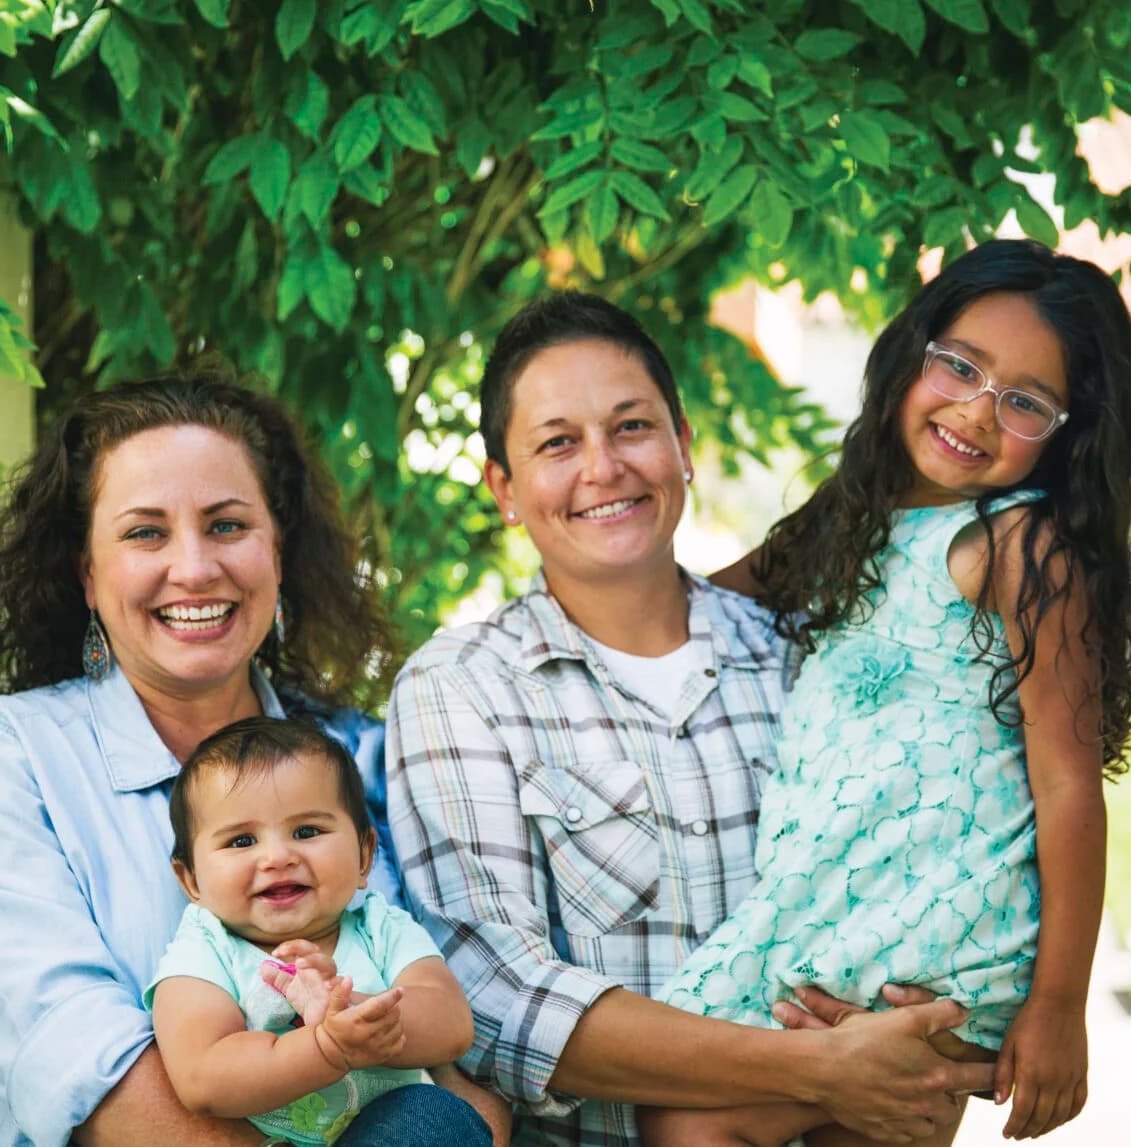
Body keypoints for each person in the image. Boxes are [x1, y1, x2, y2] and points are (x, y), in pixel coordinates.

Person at [386, 292, 997, 1147]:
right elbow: (498, 1002)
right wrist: (820, 1070)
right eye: (558, 442)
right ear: (505, 490)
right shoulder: (460, 689)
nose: (603, 467)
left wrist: (902, 1056)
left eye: (631, 427)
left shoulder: (806, 656)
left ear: (684, 447)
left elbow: (924, 861)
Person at [643, 240, 1131, 1146]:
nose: (975, 410)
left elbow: (1068, 786)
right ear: (911, 352)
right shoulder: (851, 517)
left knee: (687, 1117)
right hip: (840, 914)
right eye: (960, 365)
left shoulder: (1021, 548)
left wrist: (1060, 1004)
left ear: (1069, 432)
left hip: (932, 935)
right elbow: (703, 599)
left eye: (1025, 401)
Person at [0, 371, 494, 1147]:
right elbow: (94, 1077)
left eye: (226, 525)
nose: (193, 568)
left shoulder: (369, 757)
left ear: (277, 552)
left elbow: (469, 1061)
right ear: (88, 573)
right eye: (145, 532)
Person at [145, 716, 492, 1146]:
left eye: (307, 831)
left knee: (437, 1113)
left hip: (393, 1132)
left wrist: (350, 1010)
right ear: (192, 880)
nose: (277, 856)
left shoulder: (380, 927)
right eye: (240, 841)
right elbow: (203, 1077)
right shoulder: (203, 950)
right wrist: (326, 1048)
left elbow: (452, 1025)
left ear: (364, 856)